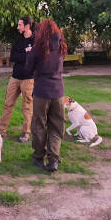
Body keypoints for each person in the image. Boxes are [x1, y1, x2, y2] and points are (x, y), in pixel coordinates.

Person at [23, 19, 68, 172]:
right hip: (58, 93)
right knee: (56, 125)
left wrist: (30, 57)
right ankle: (53, 160)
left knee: (39, 125)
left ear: (41, 32)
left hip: (41, 92)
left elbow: (28, 70)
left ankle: (38, 157)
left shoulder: (37, 49)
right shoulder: (61, 47)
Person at [0, 16, 35, 143]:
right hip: (15, 77)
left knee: (27, 106)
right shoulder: (17, 41)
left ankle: (26, 133)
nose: (18, 27)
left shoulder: (35, 41)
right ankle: (0, 130)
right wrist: (26, 52)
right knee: (8, 104)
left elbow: (34, 58)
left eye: (20, 25)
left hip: (29, 79)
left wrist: (24, 55)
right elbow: (13, 57)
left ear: (27, 26)